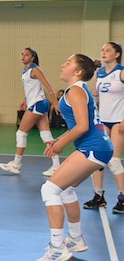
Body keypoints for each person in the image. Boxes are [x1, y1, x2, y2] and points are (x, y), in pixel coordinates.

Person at [37, 54, 113, 261]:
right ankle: (75, 239)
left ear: (78, 71)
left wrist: (61, 144)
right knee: (65, 188)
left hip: (94, 147)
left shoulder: (76, 91)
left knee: (49, 189)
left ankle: (57, 248)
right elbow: (79, 124)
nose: (63, 64)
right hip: (99, 147)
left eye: (68, 63)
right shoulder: (77, 90)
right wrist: (59, 139)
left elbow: (82, 126)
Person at [0, 48, 61, 176]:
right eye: (22, 54)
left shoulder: (35, 70)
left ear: (32, 58)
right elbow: (32, 88)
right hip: (37, 104)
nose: (23, 56)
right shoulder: (25, 71)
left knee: (21, 134)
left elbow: (48, 86)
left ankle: (16, 164)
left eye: (26, 55)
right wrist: (25, 99)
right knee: (46, 136)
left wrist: (55, 103)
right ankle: (56, 166)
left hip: (38, 104)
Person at [83, 42, 124, 214]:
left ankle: (122, 198)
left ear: (117, 54)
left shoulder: (121, 72)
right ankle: (98, 196)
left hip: (118, 122)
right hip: (103, 121)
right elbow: (96, 96)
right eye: (102, 50)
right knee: (97, 159)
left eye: (108, 50)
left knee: (114, 161)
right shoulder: (99, 73)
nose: (103, 52)